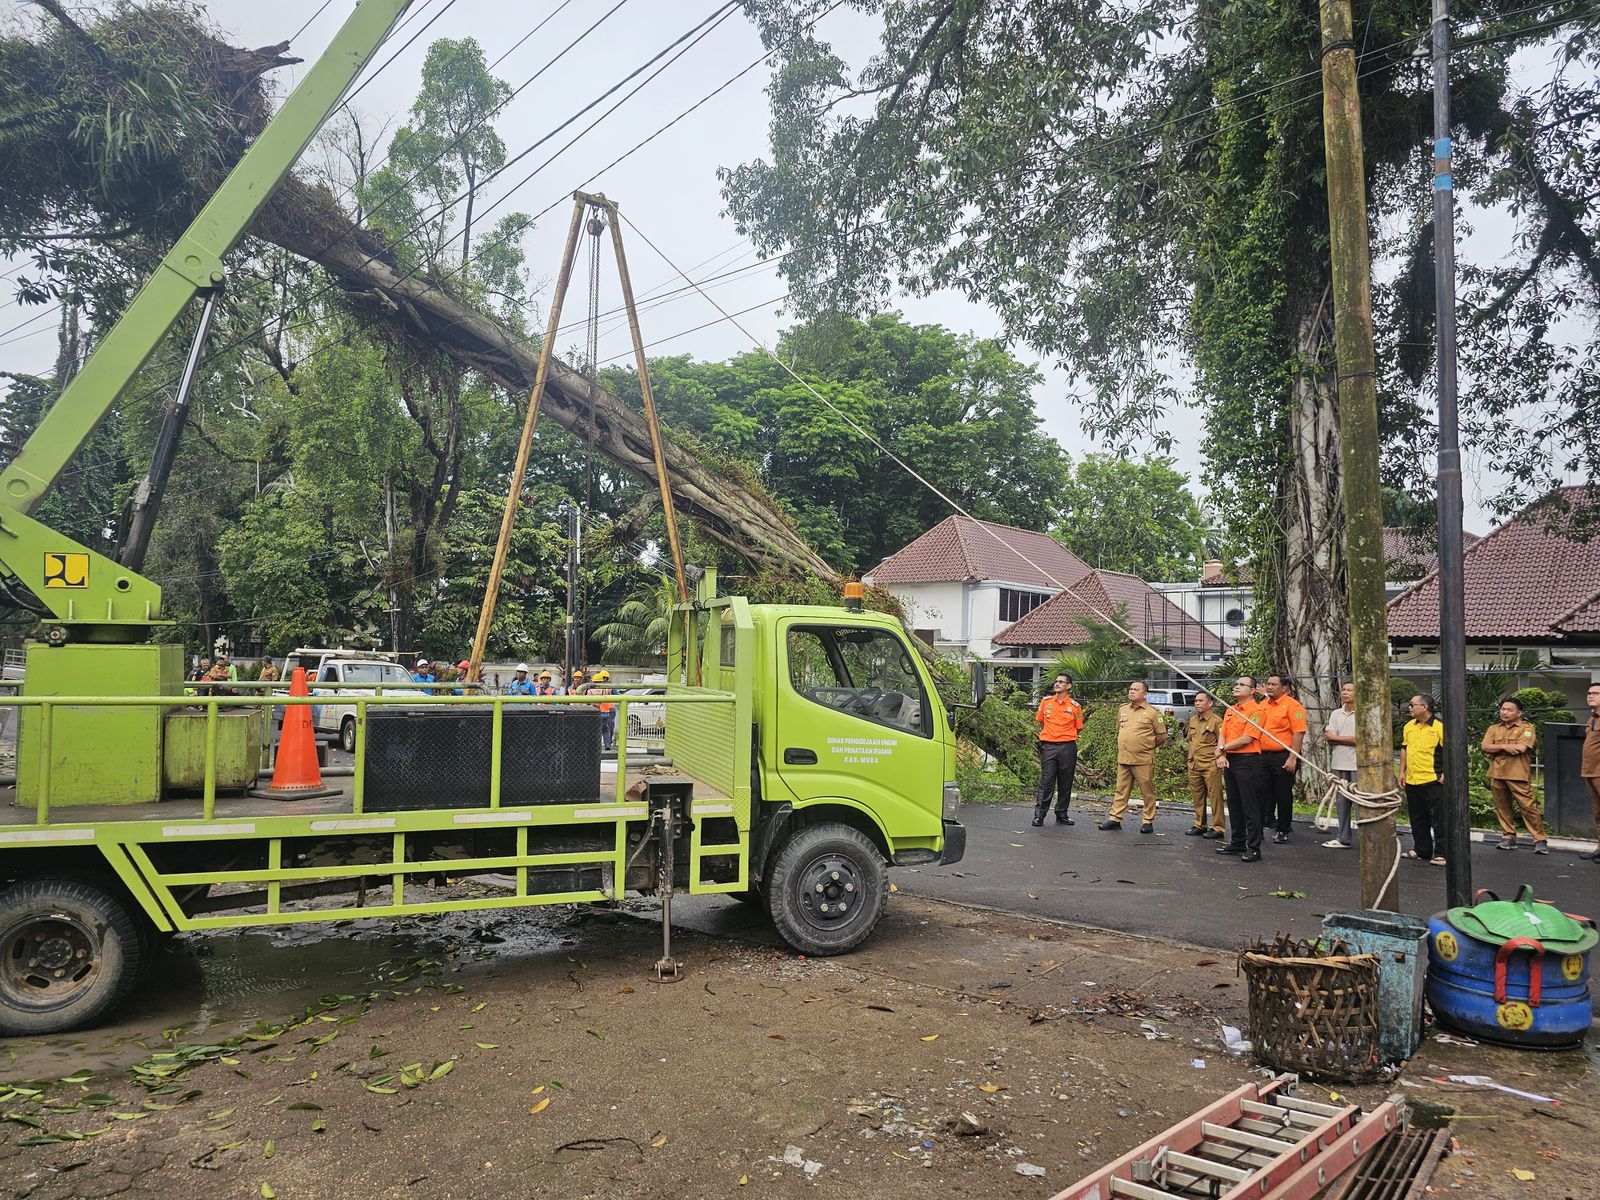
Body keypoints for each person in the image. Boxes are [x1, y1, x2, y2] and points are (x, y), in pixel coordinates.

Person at [1481, 696, 1547, 853]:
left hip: (1517, 773)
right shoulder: (1494, 728)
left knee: (1528, 807)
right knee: (1502, 807)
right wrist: (1506, 747)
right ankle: (1508, 837)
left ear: (1519, 712)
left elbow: (1521, 748)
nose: (1504, 712)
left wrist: (1497, 747)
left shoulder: (1527, 728)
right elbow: (1485, 746)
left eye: (1509, 710)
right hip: (1497, 772)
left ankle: (1539, 839)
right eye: (1503, 709)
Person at [1099, 681, 1167, 833]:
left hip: (1142, 759)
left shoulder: (1154, 713)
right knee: (1121, 790)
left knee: (1147, 791)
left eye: (1136, 689)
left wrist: (1146, 746)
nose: (1131, 692)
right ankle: (1115, 818)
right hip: (1124, 758)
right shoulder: (1123, 709)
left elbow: (1162, 736)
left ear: (1145, 694)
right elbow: (1120, 730)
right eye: (1130, 689)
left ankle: (1147, 820)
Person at [1216, 676, 1267, 861]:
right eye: (1236, 684)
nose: (1237, 687)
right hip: (1231, 759)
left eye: (1242, 685)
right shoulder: (1231, 710)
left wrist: (1222, 749)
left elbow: (1248, 738)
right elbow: (1223, 733)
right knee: (1234, 803)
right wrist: (1221, 754)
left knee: (1249, 805)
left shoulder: (1257, 710)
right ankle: (1237, 842)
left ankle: (1254, 847)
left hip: (1248, 760)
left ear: (1253, 690)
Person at [1258, 673, 1307, 843]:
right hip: (1263, 756)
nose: (1269, 687)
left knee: (1283, 794)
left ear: (1284, 688)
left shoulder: (1293, 706)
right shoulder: (1263, 705)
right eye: (1268, 684)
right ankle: (1266, 822)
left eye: (1274, 684)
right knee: (1263, 792)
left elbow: (1298, 733)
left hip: (1283, 756)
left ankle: (1283, 829)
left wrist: (1293, 757)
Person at [1400, 693, 1446, 866]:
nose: (1409, 708)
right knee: (1417, 817)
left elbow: (1450, 750)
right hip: (1413, 778)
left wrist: (1446, 773)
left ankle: (1442, 852)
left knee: (1438, 817)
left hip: (1432, 779)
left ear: (1424, 707)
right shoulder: (1409, 726)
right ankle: (1421, 849)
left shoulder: (1439, 727)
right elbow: (1404, 749)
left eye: (1412, 705)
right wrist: (1402, 772)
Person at [1033, 673, 1084, 827]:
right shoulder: (1046, 702)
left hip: (1067, 747)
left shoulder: (1075, 706)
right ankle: (1039, 815)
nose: (1057, 684)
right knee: (1046, 781)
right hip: (1049, 746)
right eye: (1056, 681)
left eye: (1061, 682)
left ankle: (1062, 814)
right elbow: (1041, 722)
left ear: (1068, 686)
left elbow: (1078, 727)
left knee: (1065, 782)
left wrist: (1064, 737)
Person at [1182, 689, 1225, 838]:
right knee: (1197, 796)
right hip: (1194, 764)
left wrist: (1220, 758)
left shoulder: (1217, 721)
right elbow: (1190, 740)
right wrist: (1189, 758)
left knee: (1215, 797)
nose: (1197, 703)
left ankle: (1218, 827)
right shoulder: (1192, 720)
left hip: (1210, 765)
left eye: (1201, 700)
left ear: (1210, 703)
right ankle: (1200, 824)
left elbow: (1223, 743)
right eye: (1196, 701)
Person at [1322, 681, 1357, 848]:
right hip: (1338, 762)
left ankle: (1368, 839)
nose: (1345, 692)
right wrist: (1347, 740)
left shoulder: (1363, 713)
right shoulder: (1336, 713)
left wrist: (1337, 739)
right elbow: (1328, 735)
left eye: (1349, 690)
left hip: (1358, 764)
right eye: (1344, 689)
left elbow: (1360, 740)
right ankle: (1343, 837)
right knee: (1341, 802)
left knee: (1361, 803)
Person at [1580, 683, 1600, 863]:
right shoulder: (1592, 719)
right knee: (1597, 813)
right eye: (1589, 693)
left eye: (1595, 693)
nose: (1590, 696)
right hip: (1590, 771)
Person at [592, 670, 616, 750]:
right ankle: (607, 744)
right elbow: (616, 695)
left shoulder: (590, 690)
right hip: (607, 712)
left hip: (595, 712)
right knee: (606, 729)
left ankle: (596, 746)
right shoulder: (608, 688)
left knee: (596, 730)